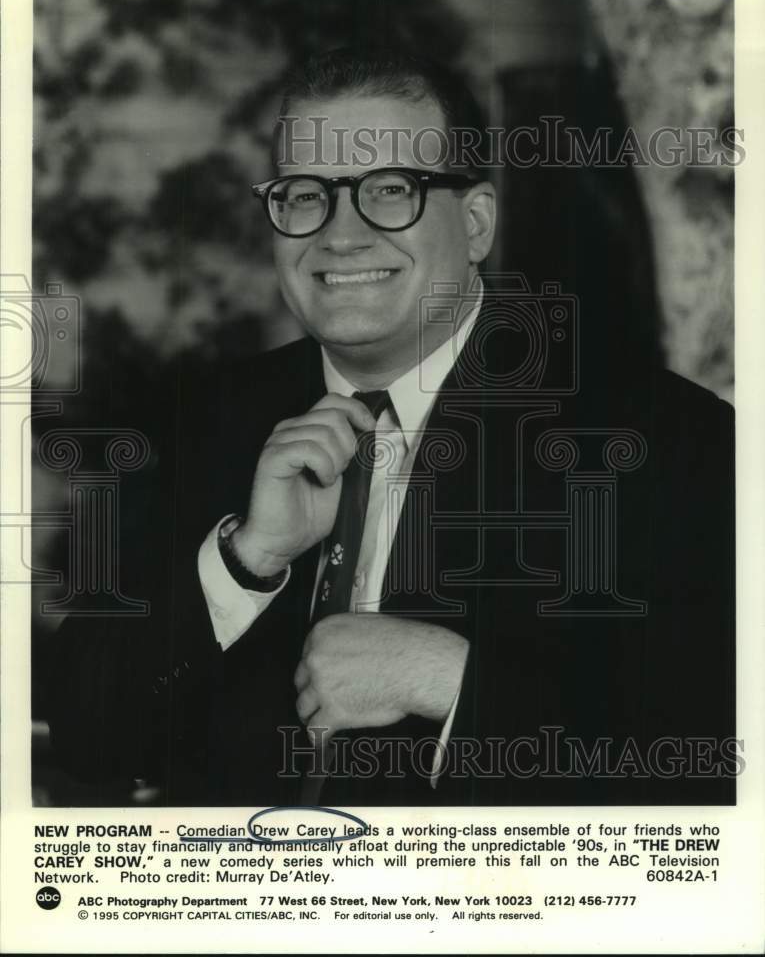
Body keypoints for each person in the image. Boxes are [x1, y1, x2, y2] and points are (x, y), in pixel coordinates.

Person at [49, 47, 735, 808]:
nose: (339, 235)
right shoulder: (198, 419)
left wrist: (453, 685)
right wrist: (246, 562)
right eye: (305, 195)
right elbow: (86, 734)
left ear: (474, 224)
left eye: (388, 190)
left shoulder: (662, 438)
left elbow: (711, 767)